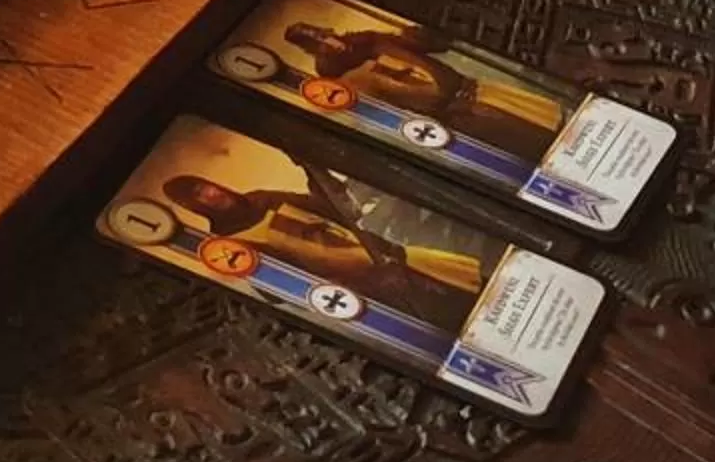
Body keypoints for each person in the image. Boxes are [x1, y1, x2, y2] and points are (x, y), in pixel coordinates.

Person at [163, 167, 481, 331]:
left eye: (208, 186)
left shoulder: (264, 198)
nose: (212, 194)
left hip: (401, 257)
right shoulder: (230, 247)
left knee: (480, 292)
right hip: (380, 292)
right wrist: (362, 284)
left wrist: (319, 181)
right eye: (200, 195)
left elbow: (333, 210)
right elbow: (283, 291)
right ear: (194, 205)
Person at [290, 18, 561, 166]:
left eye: (324, 35)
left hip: (481, 91)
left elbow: (434, 45)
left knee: (557, 127)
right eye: (319, 44)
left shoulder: (374, 40)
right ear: (313, 52)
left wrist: (419, 34)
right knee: (537, 146)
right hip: (462, 117)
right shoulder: (349, 84)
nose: (330, 43)